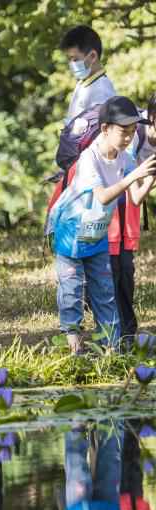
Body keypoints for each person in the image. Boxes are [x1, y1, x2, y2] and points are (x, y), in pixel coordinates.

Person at [46, 96, 156, 354]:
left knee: (105, 291)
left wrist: (150, 177)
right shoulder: (90, 158)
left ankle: (110, 349)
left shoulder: (125, 158)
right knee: (72, 293)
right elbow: (103, 195)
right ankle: (73, 348)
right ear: (105, 128)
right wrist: (134, 176)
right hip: (70, 234)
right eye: (123, 132)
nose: (129, 138)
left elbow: (136, 198)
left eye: (132, 132)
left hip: (96, 234)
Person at [111, 94, 156, 349]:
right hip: (109, 208)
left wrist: (150, 176)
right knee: (113, 271)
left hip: (127, 213)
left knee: (126, 272)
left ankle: (127, 334)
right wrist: (143, 173)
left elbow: (138, 196)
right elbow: (129, 187)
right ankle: (114, 334)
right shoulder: (133, 135)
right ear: (152, 118)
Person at [60, 25, 116, 123]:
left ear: (93, 56)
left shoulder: (101, 90)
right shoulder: (83, 82)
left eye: (75, 59)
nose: (71, 64)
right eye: (69, 60)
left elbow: (99, 132)